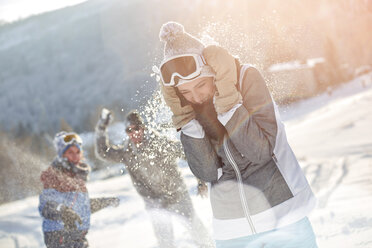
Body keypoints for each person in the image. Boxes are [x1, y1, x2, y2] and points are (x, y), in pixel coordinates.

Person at [158, 21, 318, 248]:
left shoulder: (245, 78)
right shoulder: (188, 110)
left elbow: (260, 150)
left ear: (212, 71)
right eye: (185, 92)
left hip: (283, 217)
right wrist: (184, 118)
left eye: (201, 85)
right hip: (231, 231)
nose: (195, 96)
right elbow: (207, 172)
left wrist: (227, 101)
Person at [95, 109, 213, 248]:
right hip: (154, 201)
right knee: (165, 241)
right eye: (129, 130)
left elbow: (188, 153)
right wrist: (101, 128)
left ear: (143, 128)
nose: (134, 133)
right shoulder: (127, 153)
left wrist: (201, 180)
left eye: (136, 128)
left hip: (176, 195)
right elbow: (103, 152)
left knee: (197, 231)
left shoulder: (159, 143)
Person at [39, 131, 120, 248]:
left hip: (77, 235)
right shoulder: (55, 175)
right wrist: (63, 211)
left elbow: (81, 207)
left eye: (78, 152)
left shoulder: (75, 175)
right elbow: (46, 206)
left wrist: (105, 202)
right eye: (70, 152)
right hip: (60, 237)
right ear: (61, 155)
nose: (75, 156)